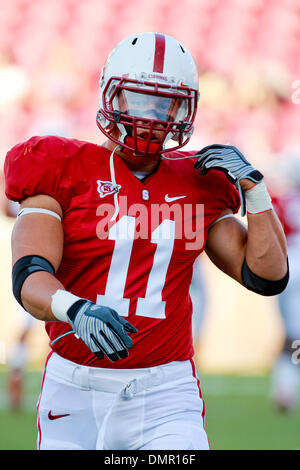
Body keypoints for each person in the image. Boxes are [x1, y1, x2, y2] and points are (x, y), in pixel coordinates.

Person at [4, 32, 288, 450]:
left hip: (165, 392)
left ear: (184, 108)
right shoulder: (60, 166)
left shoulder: (199, 182)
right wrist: (76, 309)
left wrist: (255, 192)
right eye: (138, 99)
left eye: (164, 103)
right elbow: (29, 273)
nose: (150, 116)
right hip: (75, 388)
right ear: (110, 95)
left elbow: (267, 276)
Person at [270, 156, 300, 412]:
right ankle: (286, 388)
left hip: (288, 264)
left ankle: (285, 388)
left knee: (293, 337)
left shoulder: (282, 201)